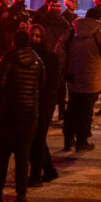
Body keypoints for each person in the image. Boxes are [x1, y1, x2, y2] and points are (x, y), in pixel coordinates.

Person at [0, 30, 44, 202]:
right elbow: (41, 85)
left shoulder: (7, 60)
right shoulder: (38, 61)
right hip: (28, 114)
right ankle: (21, 195)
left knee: (2, 156)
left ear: (13, 42)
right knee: (22, 156)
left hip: (7, 114)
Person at [63, 11, 101, 152]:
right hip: (91, 79)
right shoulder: (99, 35)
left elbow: (60, 50)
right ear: (98, 19)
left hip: (74, 77)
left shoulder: (72, 32)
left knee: (72, 108)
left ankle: (68, 138)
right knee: (86, 111)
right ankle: (82, 141)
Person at [27, 23, 61, 185]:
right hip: (31, 102)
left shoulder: (49, 57)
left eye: (38, 36)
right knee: (35, 137)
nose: (34, 39)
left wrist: (46, 101)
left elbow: (53, 83)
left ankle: (38, 174)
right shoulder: (26, 56)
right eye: (32, 35)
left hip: (44, 103)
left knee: (38, 137)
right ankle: (49, 170)